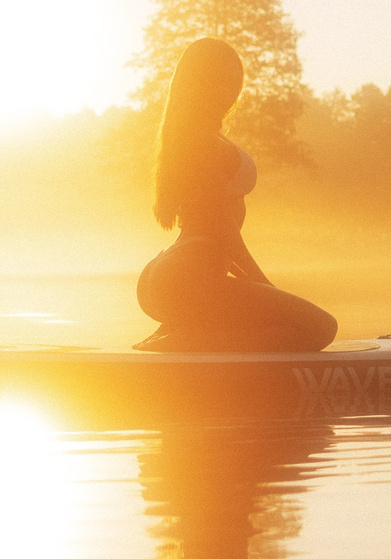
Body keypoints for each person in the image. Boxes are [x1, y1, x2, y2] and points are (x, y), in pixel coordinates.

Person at [136, 37, 337, 352]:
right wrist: (262, 284)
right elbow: (221, 228)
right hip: (189, 275)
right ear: (201, 83)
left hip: (171, 275)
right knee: (320, 327)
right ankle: (183, 342)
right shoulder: (200, 141)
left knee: (274, 319)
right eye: (224, 80)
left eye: (237, 81)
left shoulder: (189, 137)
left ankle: (184, 332)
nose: (233, 90)